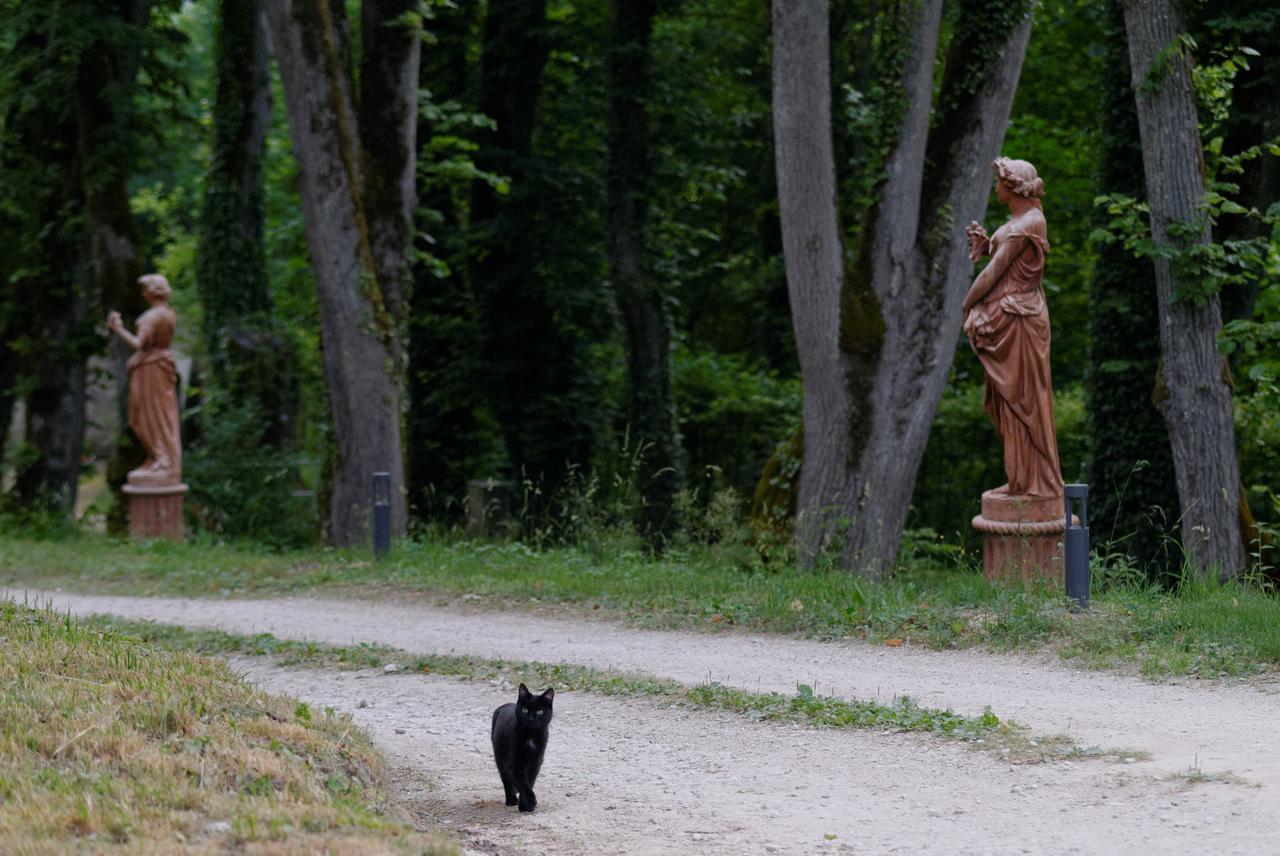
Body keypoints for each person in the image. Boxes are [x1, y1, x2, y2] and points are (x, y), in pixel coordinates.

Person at [962, 158, 1063, 499]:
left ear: (1012, 185)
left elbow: (994, 273)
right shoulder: (1018, 222)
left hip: (1020, 322)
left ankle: (1038, 483)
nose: (995, 188)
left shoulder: (1029, 223)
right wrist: (985, 244)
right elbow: (1000, 259)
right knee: (1007, 403)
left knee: (1025, 401)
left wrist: (967, 303)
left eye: (998, 182)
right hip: (1008, 319)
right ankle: (1020, 480)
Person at [107, 274, 182, 486]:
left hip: (151, 372)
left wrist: (118, 329)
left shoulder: (152, 317)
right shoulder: (167, 314)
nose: (142, 293)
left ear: (151, 291)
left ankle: (162, 460)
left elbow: (139, 344)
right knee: (158, 415)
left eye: (144, 289)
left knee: (149, 415)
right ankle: (158, 458)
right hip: (158, 368)